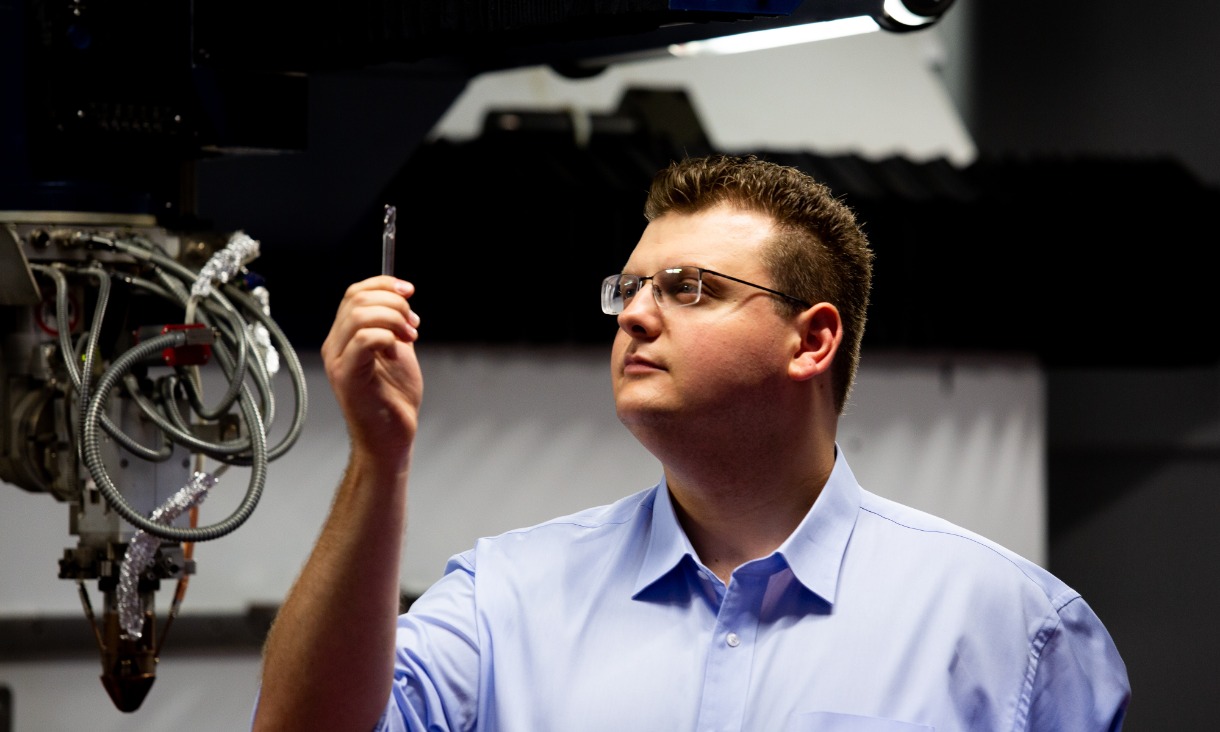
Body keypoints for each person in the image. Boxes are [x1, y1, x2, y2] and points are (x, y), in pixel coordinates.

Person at [253, 154, 1130, 731]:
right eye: (629, 288)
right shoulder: (504, 599)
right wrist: (378, 462)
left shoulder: (1012, 628)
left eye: (687, 288)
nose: (634, 314)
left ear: (811, 340)